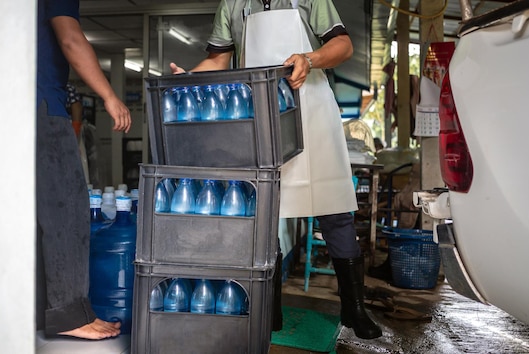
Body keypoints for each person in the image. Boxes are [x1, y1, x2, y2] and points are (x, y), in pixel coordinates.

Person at [170, 0, 382, 339]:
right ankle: (270, 309)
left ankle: (353, 308)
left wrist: (309, 59)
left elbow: (342, 45)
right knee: (264, 212)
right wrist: (190, 79)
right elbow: (218, 58)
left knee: (335, 211)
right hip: (261, 117)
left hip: (311, 109)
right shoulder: (233, 4)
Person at [36, 0, 131, 340]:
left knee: (32, 214)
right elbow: (70, 38)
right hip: (42, 107)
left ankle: (36, 310)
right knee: (67, 209)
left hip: (8, 104)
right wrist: (109, 95)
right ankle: (69, 314)